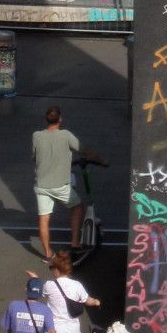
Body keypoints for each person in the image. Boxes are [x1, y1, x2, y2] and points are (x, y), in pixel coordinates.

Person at [33, 105, 107, 261]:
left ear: (46, 119)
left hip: (41, 185)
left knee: (44, 218)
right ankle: (75, 243)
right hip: (60, 185)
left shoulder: (37, 136)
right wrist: (101, 161)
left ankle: (47, 253)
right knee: (77, 207)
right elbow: (84, 151)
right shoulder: (66, 135)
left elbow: (35, 156)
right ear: (60, 119)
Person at [36, 252, 99, 333]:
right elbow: (88, 301)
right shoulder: (77, 285)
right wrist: (97, 302)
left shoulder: (49, 285)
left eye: (52, 268)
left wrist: (35, 279)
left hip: (55, 331)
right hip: (73, 332)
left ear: (57, 270)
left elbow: (38, 293)